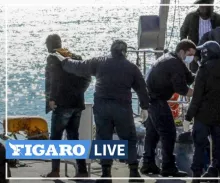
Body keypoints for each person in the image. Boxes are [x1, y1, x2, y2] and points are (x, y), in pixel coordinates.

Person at [50, 40, 150, 183]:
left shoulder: (99, 62)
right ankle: (133, 173)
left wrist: (62, 59)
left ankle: (105, 174)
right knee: (129, 138)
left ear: (111, 50)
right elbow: (142, 88)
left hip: (102, 107)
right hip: (122, 107)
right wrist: (145, 106)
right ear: (124, 52)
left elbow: (77, 66)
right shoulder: (131, 67)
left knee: (103, 138)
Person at [140, 39, 196, 177]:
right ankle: (168, 166)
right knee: (169, 133)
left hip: (150, 99)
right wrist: (200, 93)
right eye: (190, 54)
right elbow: (182, 88)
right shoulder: (174, 63)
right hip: (156, 99)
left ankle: (148, 163)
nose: (191, 58)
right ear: (182, 51)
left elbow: (188, 79)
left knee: (152, 134)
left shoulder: (172, 58)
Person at [184, 41, 220, 182]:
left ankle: (196, 176)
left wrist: (188, 117)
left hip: (203, 116)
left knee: (199, 146)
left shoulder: (204, 70)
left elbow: (197, 97)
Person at [44, 34, 91, 178]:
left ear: (49, 45)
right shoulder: (76, 57)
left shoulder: (53, 58)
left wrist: (51, 99)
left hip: (61, 104)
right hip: (77, 104)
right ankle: (82, 170)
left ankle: (55, 171)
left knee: (56, 139)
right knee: (73, 137)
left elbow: (53, 80)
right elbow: (87, 77)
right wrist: (79, 92)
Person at [180, 0, 220, 73]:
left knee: (212, 76)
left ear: (211, 5)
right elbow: (183, 33)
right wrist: (188, 50)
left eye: (206, 4)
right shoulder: (191, 17)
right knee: (195, 77)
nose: (203, 6)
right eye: (201, 4)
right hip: (195, 54)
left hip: (212, 55)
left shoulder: (218, 19)